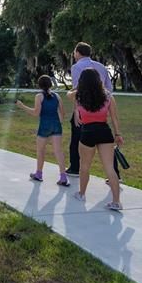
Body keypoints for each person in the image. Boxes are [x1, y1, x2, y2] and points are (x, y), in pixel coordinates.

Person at [68, 68, 124, 211]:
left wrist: (78, 86)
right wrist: (118, 134)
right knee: (110, 168)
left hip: (87, 132)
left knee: (84, 167)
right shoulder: (108, 96)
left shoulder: (78, 95)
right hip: (105, 132)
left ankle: (82, 194)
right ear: (99, 80)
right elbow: (114, 118)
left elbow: (68, 93)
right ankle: (116, 202)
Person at [66, 42, 120, 182]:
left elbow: (78, 89)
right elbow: (108, 87)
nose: (73, 54)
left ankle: (75, 167)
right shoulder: (101, 67)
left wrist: (76, 110)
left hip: (84, 107)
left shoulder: (76, 67)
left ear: (78, 52)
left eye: (74, 52)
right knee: (106, 142)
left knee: (77, 138)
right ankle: (115, 174)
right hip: (101, 106)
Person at [14, 75, 69, 186]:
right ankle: (63, 177)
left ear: (39, 85)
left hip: (44, 126)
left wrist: (22, 106)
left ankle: (39, 174)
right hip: (56, 125)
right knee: (58, 152)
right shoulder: (57, 96)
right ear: (50, 84)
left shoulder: (39, 96)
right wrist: (59, 122)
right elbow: (63, 113)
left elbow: (36, 113)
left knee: (40, 151)